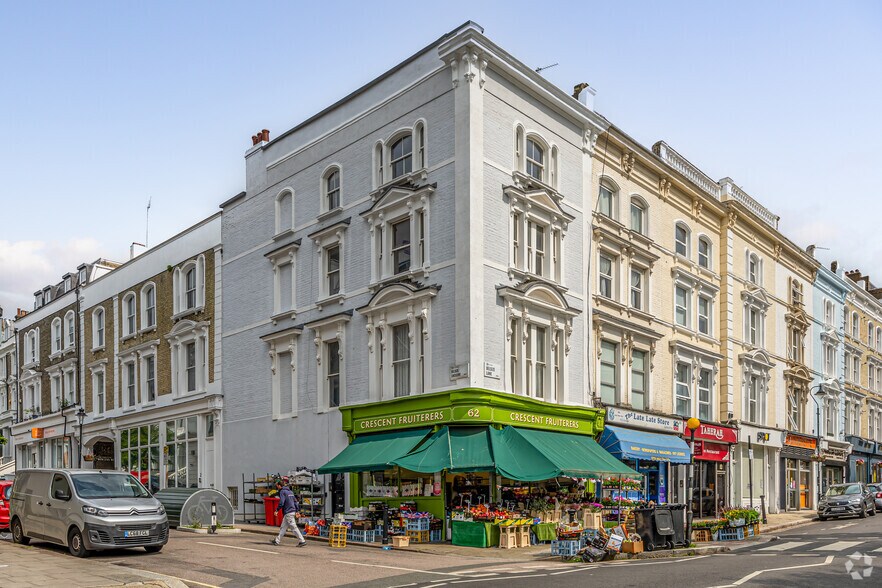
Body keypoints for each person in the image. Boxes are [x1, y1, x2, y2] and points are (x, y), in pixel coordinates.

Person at [271, 480, 306, 547]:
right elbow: (295, 502)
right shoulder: (290, 492)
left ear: (279, 485)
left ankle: (302, 541)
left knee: (293, 527)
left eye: (277, 486)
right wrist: (297, 511)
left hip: (288, 512)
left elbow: (282, 502)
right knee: (283, 527)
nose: (277, 487)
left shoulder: (282, 491)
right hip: (291, 511)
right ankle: (277, 541)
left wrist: (277, 510)